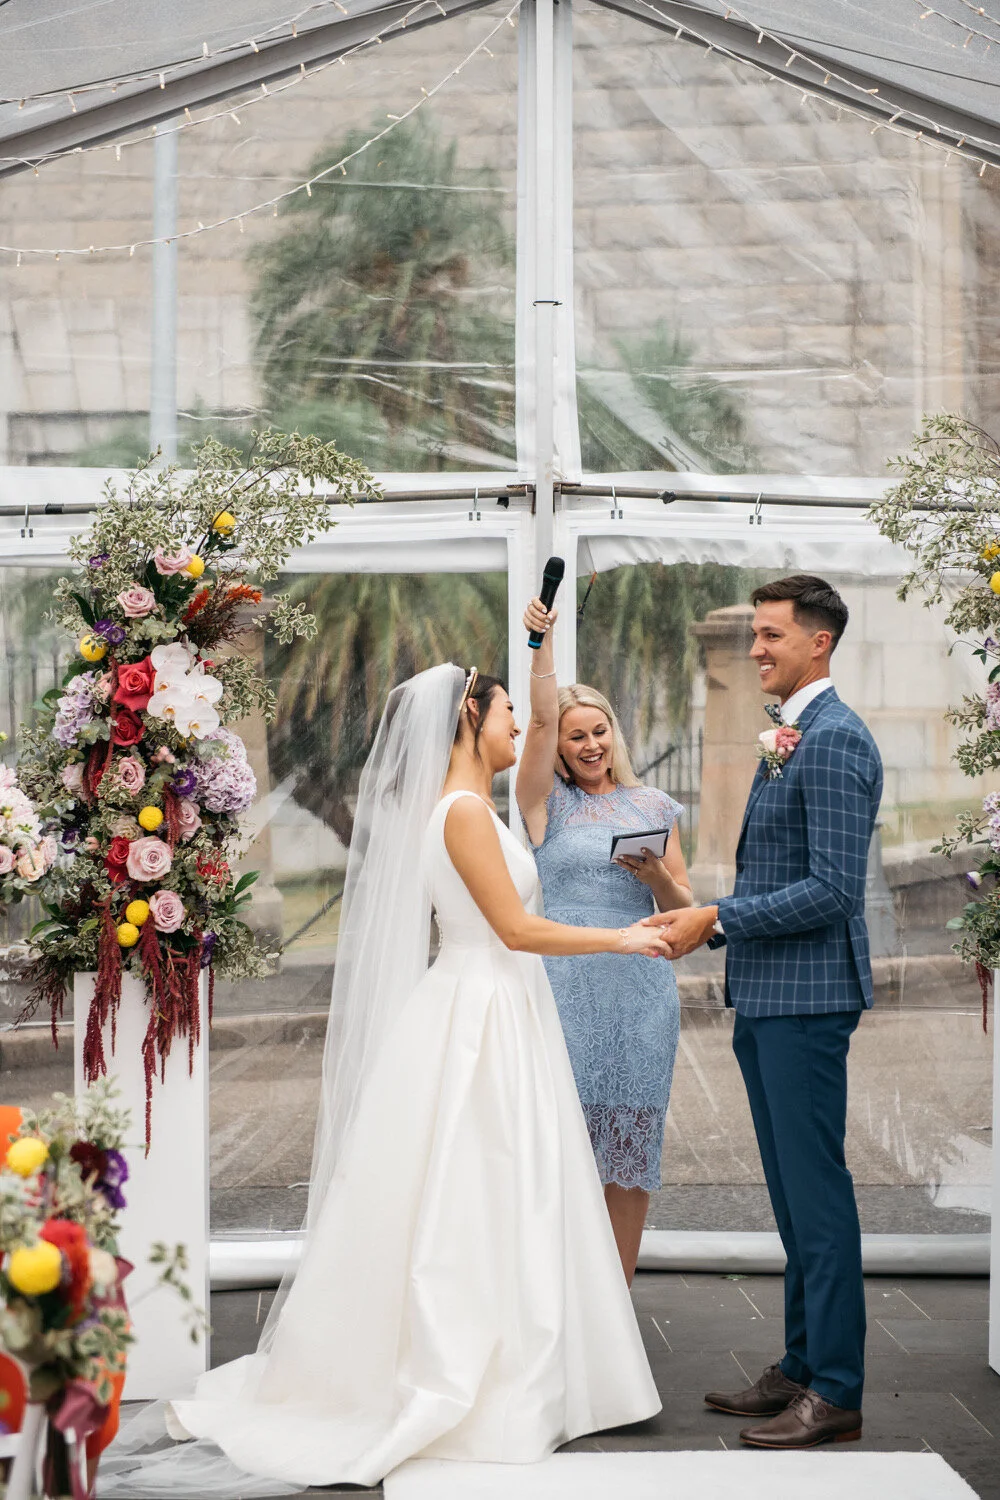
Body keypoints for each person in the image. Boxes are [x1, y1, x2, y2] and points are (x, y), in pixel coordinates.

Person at [104, 664, 664, 1495]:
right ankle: (475, 1364)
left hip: (500, 1006)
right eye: (508, 713)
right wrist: (624, 938)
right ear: (470, 715)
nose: (520, 729)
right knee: (476, 1185)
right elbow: (513, 930)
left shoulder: (468, 806)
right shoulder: (463, 812)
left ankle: (529, 1353)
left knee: (501, 1185)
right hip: (481, 1010)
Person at [650, 575, 882, 1452]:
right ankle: (801, 1366)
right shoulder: (798, 732)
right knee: (792, 1197)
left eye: (771, 635)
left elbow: (832, 890)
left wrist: (718, 917)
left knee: (817, 1199)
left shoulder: (836, 739)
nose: (755, 649)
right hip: (773, 996)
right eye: (754, 633)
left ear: (819, 642)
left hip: (808, 1002)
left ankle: (838, 1391)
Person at [515, 598, 693, 1285]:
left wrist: (656, 877)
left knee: (631, 1147)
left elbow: (684, 912)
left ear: (614, 732)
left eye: (599, 730)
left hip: (640, 993)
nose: (590, 745)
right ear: (558, 747)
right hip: (564, 990)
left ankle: (615, 1299)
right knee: (560, 1144)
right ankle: (557, 1294)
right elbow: (535, 722)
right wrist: (542, 645)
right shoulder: (544, 804)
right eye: (575, 737)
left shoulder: (653, 806)